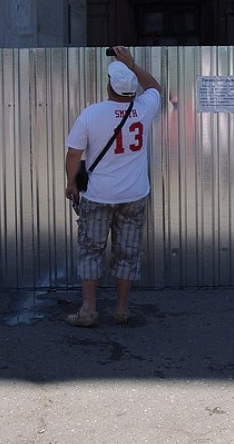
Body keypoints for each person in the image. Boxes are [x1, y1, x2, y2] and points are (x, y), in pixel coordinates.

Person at [64, 46, 162, 327]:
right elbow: (155, 88)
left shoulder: (92, 114)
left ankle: (88, 311)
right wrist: (132, 66)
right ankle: (121, 309)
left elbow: (74, 154)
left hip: (98, 195)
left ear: (109, 87)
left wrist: (71, 184)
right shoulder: (144, 108)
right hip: (134, 195)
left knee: (91, 250)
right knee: (127, 252)